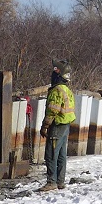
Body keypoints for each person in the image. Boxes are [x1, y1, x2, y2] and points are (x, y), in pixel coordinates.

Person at [39, 59, 76, 191]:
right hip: (66, 125)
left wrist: (45, 126)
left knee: (51, 154)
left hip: (57, 126)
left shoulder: (56, 91)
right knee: (61, 155)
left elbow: (52, 110)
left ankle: (51, 182)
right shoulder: (66, 89)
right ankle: (60, 181)